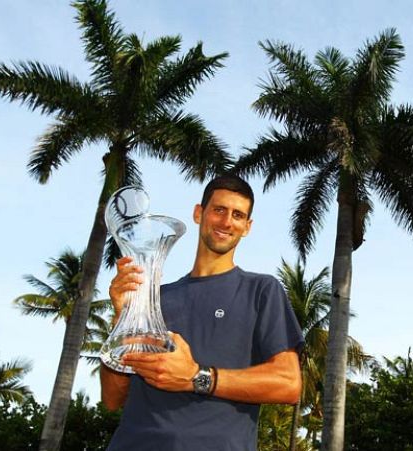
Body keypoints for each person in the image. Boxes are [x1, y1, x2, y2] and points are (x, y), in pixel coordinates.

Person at [101, 174, 304, 451]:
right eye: (219, 210)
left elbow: (289, 384)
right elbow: (113, 398)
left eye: (238, 215)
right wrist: (123, 317)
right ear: (199, 213)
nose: (226, 222)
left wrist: (197, 377)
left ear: (247, 226)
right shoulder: (154, 298)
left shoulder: (261, 290)